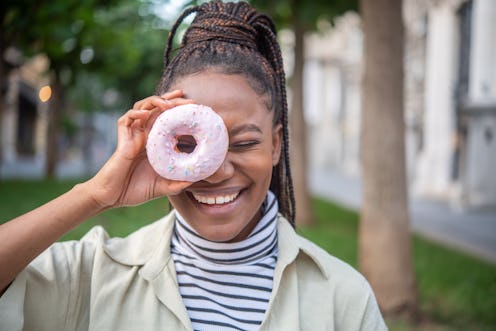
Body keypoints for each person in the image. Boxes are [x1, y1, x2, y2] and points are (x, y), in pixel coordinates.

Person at [0, 1, 387, 330]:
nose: (216, 172)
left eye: (245, 143)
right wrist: (95, 195)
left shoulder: (344, 301)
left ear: (275, 144)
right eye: (188, 145)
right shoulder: (93, 274)